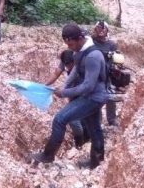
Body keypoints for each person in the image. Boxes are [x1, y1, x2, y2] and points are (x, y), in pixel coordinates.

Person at [28, 23, 109, 170]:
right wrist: (64, 85)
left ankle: (48, 155)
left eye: (71, 43)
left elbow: (88, 85)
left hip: (94, 97)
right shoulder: (80, 50)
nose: (69, 47)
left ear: (79, 38)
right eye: (66, 43)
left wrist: (64, 92)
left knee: (60, 119)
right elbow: (76, 69)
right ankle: (96, 162)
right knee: (94, 128)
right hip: (90, 95)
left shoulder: (93, 56)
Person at [44, 49, 88, 149]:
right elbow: (56, 74)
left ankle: (80, 143)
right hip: (73, 92)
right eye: (66, 65)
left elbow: (84, 85)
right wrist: (45, 85)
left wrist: (64, 92)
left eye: (69, 65)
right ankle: (82, 140)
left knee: (73, 119)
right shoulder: (66, 60)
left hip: (84, 92)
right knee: (77, 118)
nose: (67, 67)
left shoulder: (82, 65)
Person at [92, 20, 120, 127]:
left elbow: (116, 58)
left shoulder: (111, 44)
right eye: (99, 28)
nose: (101, 30)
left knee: (110, 96)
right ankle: (97, 121)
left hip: (107, 73)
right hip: (94, 74)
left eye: (103, 28)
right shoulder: (92, 42)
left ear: (107, 30)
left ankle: (112, 119)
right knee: (95, 98)